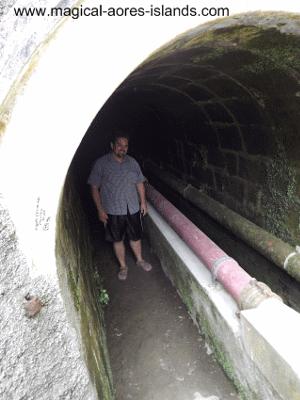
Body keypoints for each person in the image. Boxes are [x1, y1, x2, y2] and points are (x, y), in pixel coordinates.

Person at [87, 133, 152, 280]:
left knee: (135, 236)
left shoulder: (133, 162)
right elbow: (94, 187)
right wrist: (100, 209)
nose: (122, 148)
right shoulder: (101, 164)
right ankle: (123, 266)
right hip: (113, 210)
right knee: (117, 239)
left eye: (125, 145)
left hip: (133, 207)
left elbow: (139, 182)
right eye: (119, 145)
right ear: (112, 145)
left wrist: (143, 202)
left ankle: (140, 260)